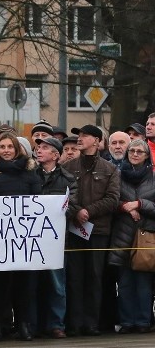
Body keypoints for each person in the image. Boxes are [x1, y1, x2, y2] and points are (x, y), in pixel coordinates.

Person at [0, 131, 41, 342]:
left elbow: (36, 201)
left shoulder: (29, 172)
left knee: (24, 285)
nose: (6, 151)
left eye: (9, 147)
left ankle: (23, 324)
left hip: (23, 238)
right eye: (2, 147)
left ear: (16, 149)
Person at [62, 125, 120, 336]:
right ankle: (75, 323)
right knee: (75, 277)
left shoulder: (109, 169)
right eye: (79, 135)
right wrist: (77, 212)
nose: (80, 139)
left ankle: (92, 323)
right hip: (74, 229)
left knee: (95, 277)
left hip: (98, 231)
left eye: (85, 136)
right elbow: (64, 195)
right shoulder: (68, 167)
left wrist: (89, 211)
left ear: (96, 141)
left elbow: (113, 199)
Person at [108, 139, 155, 334]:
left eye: (139, 151)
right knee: (125, 283)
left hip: (145, 236)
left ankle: (143, 321)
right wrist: (124, 208)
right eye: (132, 151)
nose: (135, 154)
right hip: (122, 235)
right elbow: (111, 201)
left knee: (144, 283)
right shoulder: (117, 176)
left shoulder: (153, 179)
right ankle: (127, 322)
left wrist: (140, 205)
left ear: (146, 156)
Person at [33, 137, 77, 339]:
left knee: (57, 285)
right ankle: (34, 324)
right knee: (32, 284)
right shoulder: (30, 177)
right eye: (38, 147)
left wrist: (55, 212)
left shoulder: (68, 179)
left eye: (45, 148)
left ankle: (56, 324)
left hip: (57, 241)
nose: (39, 150)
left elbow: (74, 206)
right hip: (31, 241)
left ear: (56, 155)